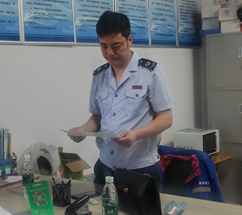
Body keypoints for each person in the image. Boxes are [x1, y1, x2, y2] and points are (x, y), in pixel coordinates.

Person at [69, 11, 173, 191]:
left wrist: (136, 135)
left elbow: (166, 118)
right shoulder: (99, 76)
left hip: (140, 169)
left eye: (115, 46)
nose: (109, 53)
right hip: (105, 167)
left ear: (129, 40)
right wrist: (83, 130)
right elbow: (97, 117)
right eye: (103, 46)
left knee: (143, 211)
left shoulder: (150, 73)